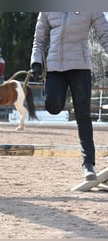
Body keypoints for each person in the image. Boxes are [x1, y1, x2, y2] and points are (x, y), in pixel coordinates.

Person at [30, 12, 108, 181]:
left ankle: (88, 164)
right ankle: (60, 94)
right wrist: (36, 62)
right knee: (53, 106)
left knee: (83, 115)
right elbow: (39, 39)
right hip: (54, 67)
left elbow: (104, 34)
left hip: (80, 66)